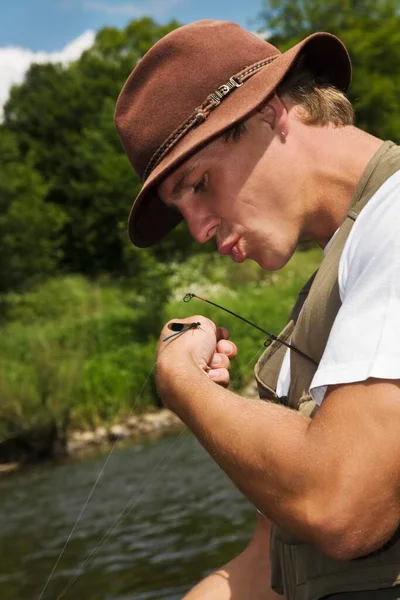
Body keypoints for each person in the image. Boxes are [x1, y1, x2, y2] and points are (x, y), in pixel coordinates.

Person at [115, 20, 400, 600]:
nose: (196, 230)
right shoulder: (343, 273)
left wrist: (183, 385)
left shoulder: (394, 225)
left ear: (269, 115)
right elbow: (260, 573)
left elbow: (342, 506)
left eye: (198, 185)